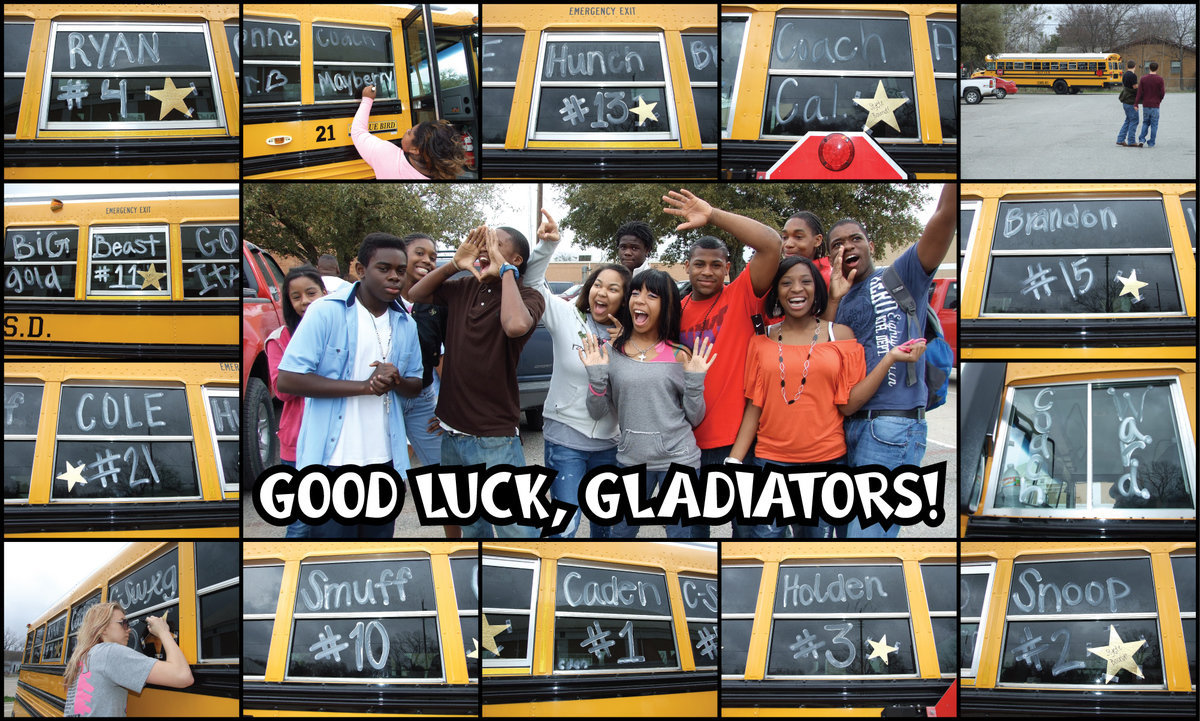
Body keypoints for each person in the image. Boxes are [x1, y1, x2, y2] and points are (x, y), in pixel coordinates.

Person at [728, 256, 925, 538]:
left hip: (827, 464)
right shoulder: (761, 340)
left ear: (816, 289)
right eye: (786, 283)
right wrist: (734, 462)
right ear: (777, 292)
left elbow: (848, 405)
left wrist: (889, 359)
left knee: (813, 550)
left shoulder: (840, 335)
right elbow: (754, 406)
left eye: (805, 281)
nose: (797, 289)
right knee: (766, 545)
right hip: (771, 464)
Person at [276, 232, 424, 538]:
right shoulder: (325, 311)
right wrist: (364, 387)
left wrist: (395, 379)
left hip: (385, 462)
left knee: (376, 555)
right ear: (360, 269)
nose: (394, 277)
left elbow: (415, 384)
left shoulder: (406, 323)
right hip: (331, 462)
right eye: (384, 268)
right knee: (331, 558)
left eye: (400, 270)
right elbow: (289, 379)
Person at [830, 183, 956, 538]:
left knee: (867, 540)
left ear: (870, 246)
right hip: (849, 427)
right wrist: (834, 299)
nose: (847, 247)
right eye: (837, 244)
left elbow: (944, 218)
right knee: (843, 538)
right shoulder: (839, 300)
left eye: (855, 239)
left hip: (893, 426)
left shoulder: (902, 275)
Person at [407, 224, 545, 538]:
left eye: (495, 244)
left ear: (517, 259)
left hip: (494, 437)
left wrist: (505, 271)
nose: (485, 249)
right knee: (471, 530)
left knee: (517, 532)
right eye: (483, 243)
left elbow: (514, 326)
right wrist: (455, 264)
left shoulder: (528, 296)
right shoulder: (464, 287)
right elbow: (415, 294)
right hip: (452, 435)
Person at [670, 188, 782, 534]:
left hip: (737, 443)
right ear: (686, 267)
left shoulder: (743, 294)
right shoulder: (674, 311)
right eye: (699, 264)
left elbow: (771, 244)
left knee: (747, 539)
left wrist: (713, 214)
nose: (707, 271)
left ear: (727, 268)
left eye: (716, 265)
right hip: (684, 444)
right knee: (690, 540)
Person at [580, 269, 716, 539]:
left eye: (652, 295)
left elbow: (695, 417)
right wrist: (596, 377)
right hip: (630, 460)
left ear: (666, 306)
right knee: (620, 535)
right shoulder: (610, 351)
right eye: (635, 293)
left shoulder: (679, 354)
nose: (640, 300)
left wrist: (695, 381)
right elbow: (597, 411)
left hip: (679, 460)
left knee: (681, 539)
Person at [523, 208, 630, 538]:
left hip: (611, 444)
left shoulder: (631, 335)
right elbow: (532, 284)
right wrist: (546, 246)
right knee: (564, 528)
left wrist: (625, 346)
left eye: (613, 289)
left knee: (606, 530)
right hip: (565, 438)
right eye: (598, 284)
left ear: (625, 298)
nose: (602, 293)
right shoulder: (566, 315)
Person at [265, 265, 328, 539]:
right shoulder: (279, 339)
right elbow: (283, 390)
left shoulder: (342, 331)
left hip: (335, 439)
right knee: (301, 523)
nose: (305, 301)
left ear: (324, 293)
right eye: (296, 296)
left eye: (311, 293)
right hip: (296, 443)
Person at [63, 603, 192, 717]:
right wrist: (163, 631)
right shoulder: (110, 652)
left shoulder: (83, 656)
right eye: (123, 623)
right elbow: (182, 676)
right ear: (102, 629)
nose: (129, 629)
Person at [351, 85, 468, 179]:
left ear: (415, 149)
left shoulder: (388, 156)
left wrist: (367, 100)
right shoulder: (443, 175)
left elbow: (358, 132)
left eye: (410, 132)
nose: (407, 130)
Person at [781, 211, 831, 285]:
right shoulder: (775, 274)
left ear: (817, 240)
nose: (788, 244)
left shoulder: (829, 278)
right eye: (785, 237)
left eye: (798, 237)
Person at [1135, 61, 1165, 148]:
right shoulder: (1160, 79)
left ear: (1149, 68)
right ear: (1157, 68)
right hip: (1155, 105)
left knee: (1145, 123)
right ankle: (1151, 142)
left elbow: (1139, 92)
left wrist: (1136, 103)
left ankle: (1141, 139)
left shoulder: (1143, 79)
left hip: (1146, 104)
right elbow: (1162, 92)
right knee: (1154, 125)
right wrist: (1159, 100)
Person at [1116, 60, 1141, 147]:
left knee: (1128, 120)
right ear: (1134, 66)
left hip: (1125, 101)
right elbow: (1134, 87)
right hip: (1131, 101)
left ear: (1127, 66)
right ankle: (1131, 140)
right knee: (1134, 120)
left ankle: (1120, 139)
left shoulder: (1125, 75)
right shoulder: (1133, 75)